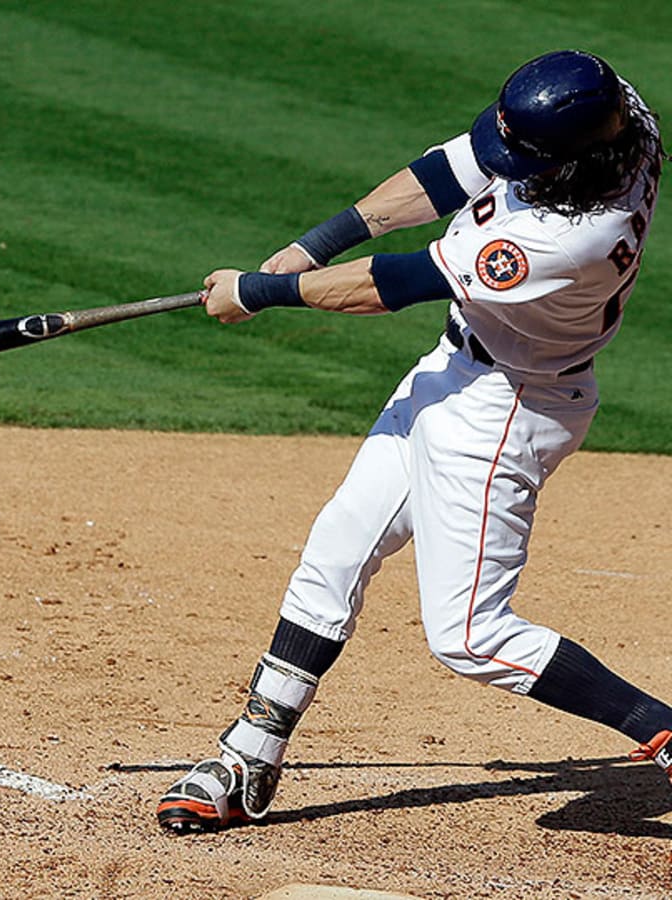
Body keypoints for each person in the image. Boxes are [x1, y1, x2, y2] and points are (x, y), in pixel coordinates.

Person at [157, 49, 669, 834]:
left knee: (470, 635)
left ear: (568, 161)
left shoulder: (564, 241)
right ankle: (249, 753)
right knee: (337, 549)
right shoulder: (614, 117)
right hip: (456, 372)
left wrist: (258, 293)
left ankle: (658, 726)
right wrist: (312, 243)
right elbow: (451, 172)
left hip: (505, 409)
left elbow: (389, 286)